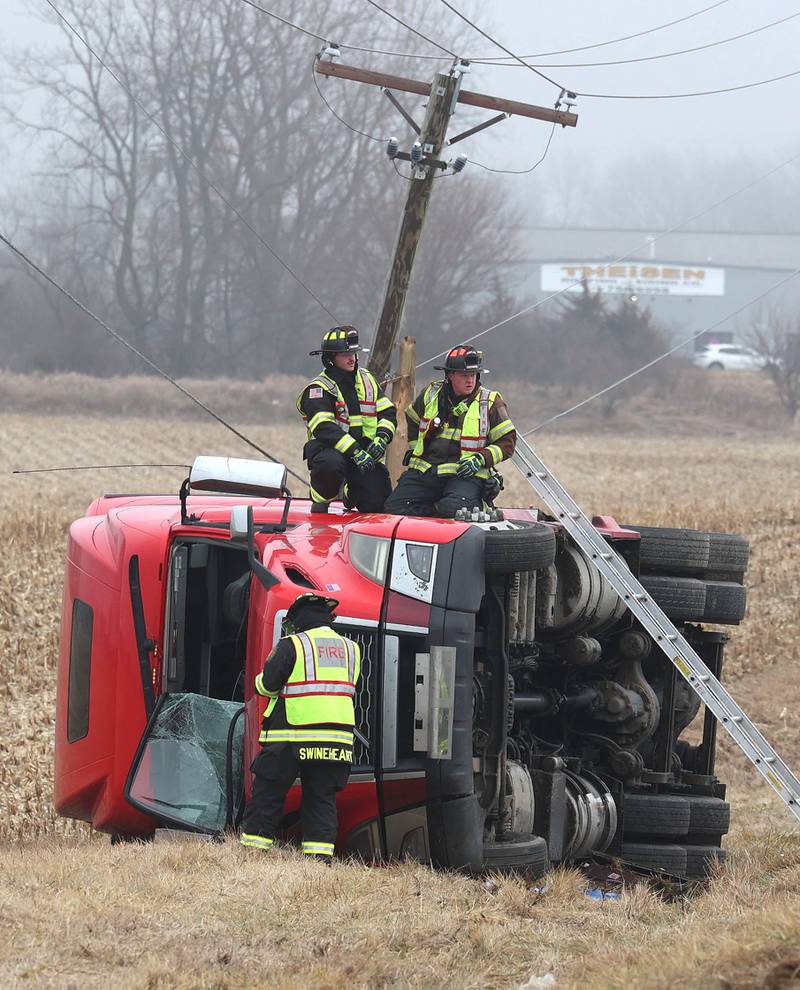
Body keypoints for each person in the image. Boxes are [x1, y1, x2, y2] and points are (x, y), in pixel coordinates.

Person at [239, 593, 361, 862]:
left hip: (291, 735)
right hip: (336, 740)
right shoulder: (352, 649)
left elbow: (267, 685)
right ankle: (319, 861)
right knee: (321, 798)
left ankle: (252, 853)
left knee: (269, 792)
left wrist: (261, 680)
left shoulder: (292, 644)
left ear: (299, 619)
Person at [384, 344, 516, 518]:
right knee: (394, 507)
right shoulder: (431, 394)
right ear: (450, 375)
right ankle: (435, 509)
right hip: (427, 471)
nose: (470, 380)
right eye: (464, 375)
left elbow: (507, 441)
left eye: (473, 375)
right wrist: (417, 448)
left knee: (453, 511)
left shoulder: (490, 401)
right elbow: (413, 418)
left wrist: (480, 458)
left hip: (466, 475)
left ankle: (475, 505)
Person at [297, 325, 396, 513]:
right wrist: (355, 451)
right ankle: (320, 498)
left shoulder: (368, 379)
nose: (352, 358)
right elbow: (324, 428)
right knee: (330, 464)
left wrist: (381, 439)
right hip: (332, 451)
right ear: (330, 358)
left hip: (364, 454)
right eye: (345, 354)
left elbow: (388, 413)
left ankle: (351, 493)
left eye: (354, 353)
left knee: (378, 502)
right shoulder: (318, 389)